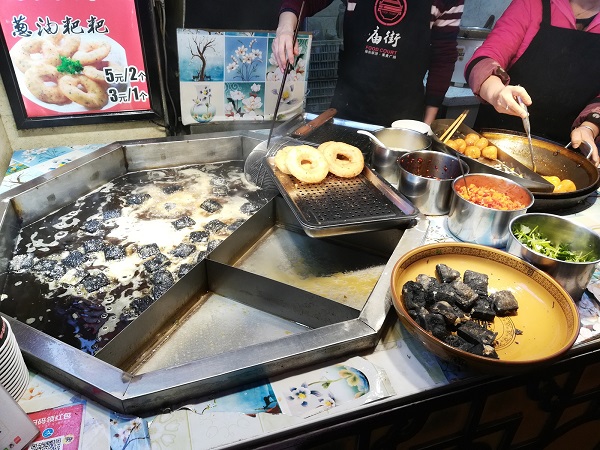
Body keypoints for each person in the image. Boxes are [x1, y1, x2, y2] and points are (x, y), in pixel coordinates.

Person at [272, 0, 464, 127]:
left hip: (403, 122)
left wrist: (425, 127)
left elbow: (443, 57)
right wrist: (286, 28)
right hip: (346, 113)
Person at [465, 0, 600, 166]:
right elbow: (486, 57)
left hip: (563, 156)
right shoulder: (531, 4)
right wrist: (496, 92)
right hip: (496, 143)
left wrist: (589, 127)